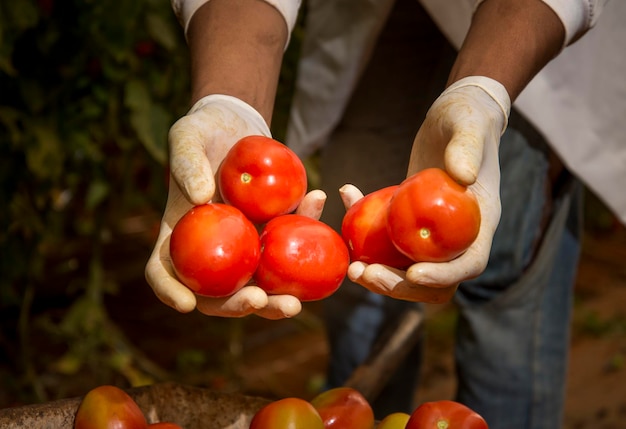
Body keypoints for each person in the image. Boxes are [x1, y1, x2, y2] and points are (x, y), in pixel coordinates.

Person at [145, 0, 626, 428]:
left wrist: (484, 94)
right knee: (361, 280)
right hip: (375, 17)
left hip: (521, 31)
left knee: (504, 272)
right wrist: (229, 104)